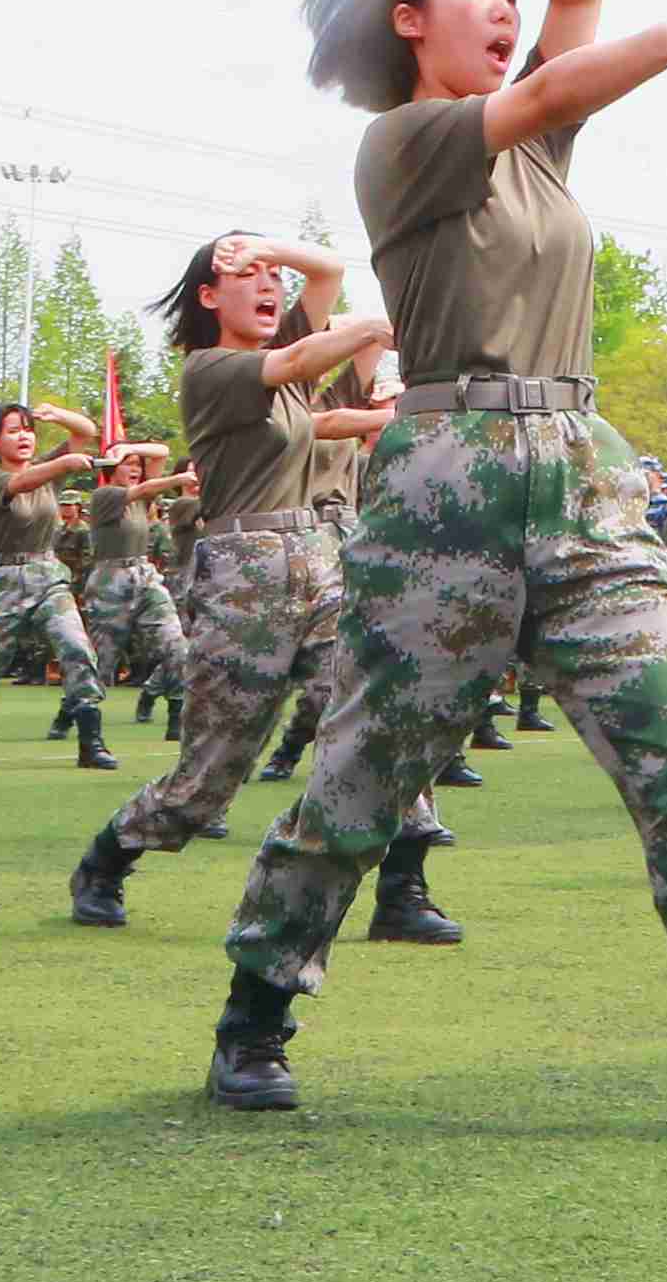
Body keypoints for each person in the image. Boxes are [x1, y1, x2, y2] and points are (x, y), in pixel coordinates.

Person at [207, 0, 667, 1144]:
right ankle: (256, 1010)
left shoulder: (540, 144)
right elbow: (570, 71)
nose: (504, 8)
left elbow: (580, 8)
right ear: (408, 20)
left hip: (583, 476)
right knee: (362, 775)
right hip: (448, 482)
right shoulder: (403, 143)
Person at [76, 233, 416, 932]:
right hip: (243, 574)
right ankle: (109, 858)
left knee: (375, 714)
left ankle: (405, 890)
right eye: (248, 278)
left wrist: (265, 248)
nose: (271, 287)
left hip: (321, 562)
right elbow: (297, 355)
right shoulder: (212, 368)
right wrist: (378, 324)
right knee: (209, 777)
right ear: (208, 296)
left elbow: (326, 272)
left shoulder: (284, 364)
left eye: (275, 279)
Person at [0, 397, 114, 755]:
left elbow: (86, 432)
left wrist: (56, 415)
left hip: (46, 574)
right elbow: (22, 483)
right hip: (0, 581)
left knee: (76, 646)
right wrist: (63, 461)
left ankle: (90, 739)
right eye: (14, 431)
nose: (25, 438)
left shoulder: (48, 470)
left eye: (29, 431)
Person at [77, 437, 189, 755]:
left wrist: (130, 447)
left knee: (176, 646)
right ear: (113, 468)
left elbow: (163, 452)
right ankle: (72, 715)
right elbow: (138, 491)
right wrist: (178, 479)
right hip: (110, 580)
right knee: (102, 661)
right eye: (128, 465)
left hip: (144, 575)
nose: (136, 471)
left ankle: (176, 718)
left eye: (138, 466)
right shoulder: (105, 496)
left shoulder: (144, 495)